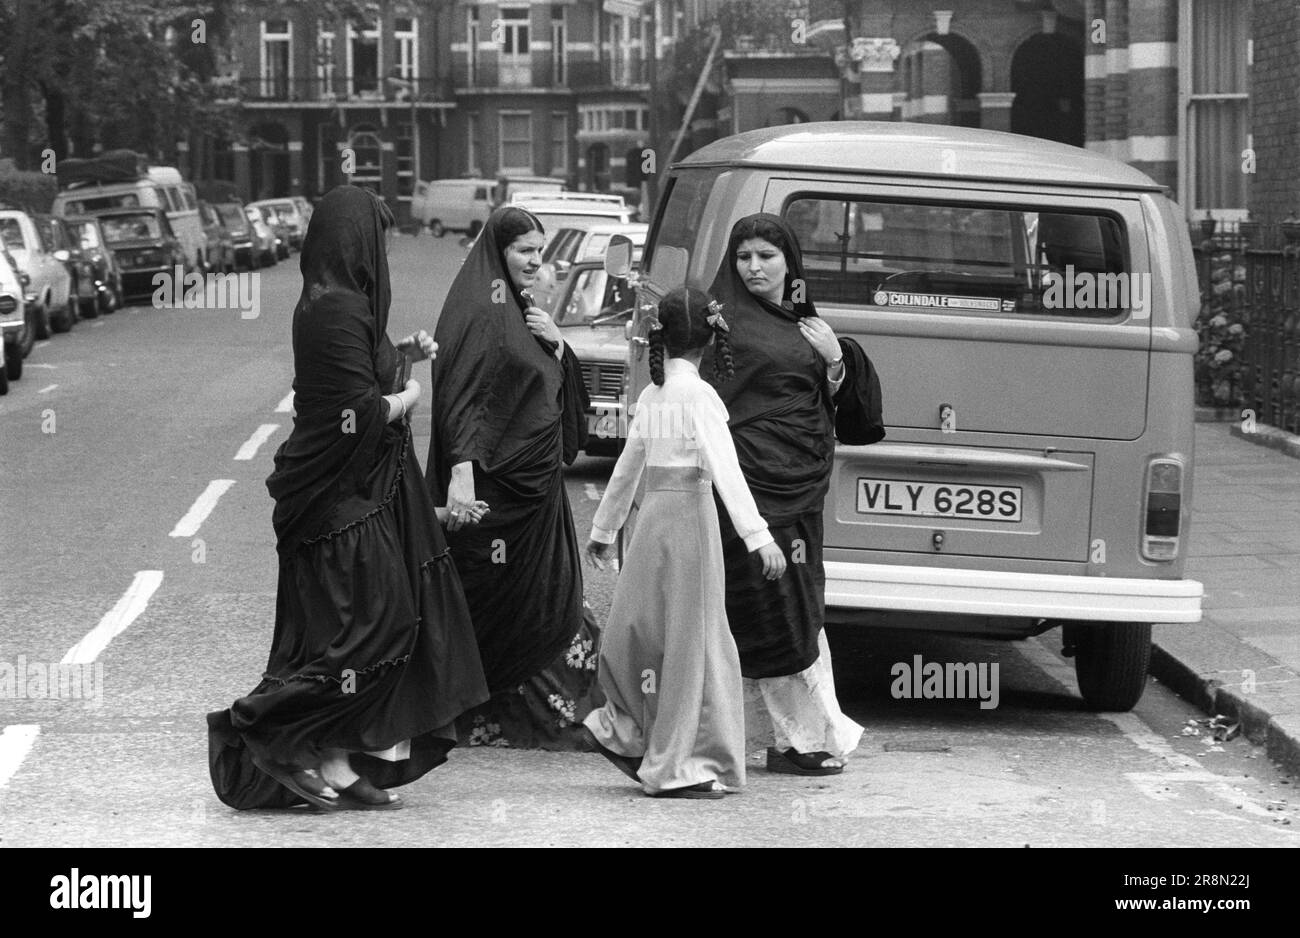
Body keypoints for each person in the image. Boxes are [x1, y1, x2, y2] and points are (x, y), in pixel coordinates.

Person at [207, 186, 489, 811]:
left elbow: (358, 379)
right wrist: (409, 398)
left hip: (350, 493)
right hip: (336, 504)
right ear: (355, 242)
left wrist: (402, 357)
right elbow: (355, 413)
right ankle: (265, 725)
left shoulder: (338, 304)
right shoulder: (335, 310)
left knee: (349, 628)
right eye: (378, 239)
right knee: (373, 625)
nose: (383, 252)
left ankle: (331, 756)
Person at [583, 287, 786, 799]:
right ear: (709, 341)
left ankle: (626, 732)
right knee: (693, 640)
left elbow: (628, 467)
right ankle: (681, 765)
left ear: (663, 337)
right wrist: (758, 536)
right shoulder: (700, 397)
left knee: (647, 631)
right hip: (690, 522)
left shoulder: (653, 396)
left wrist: (604, 532)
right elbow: (725, 469)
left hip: (651, 521)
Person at [704, 212, 886, 776]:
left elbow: (837, 407)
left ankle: (797, 739)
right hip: (743, 495)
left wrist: (836, 358)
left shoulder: (808, 325)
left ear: (790, 264)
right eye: (743, 257)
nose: (754, 267)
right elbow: (698, 403)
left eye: (767, 256)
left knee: (798, 609)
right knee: (759, 612)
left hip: (799, 493)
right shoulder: (718, 325)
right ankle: (786, 742)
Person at [428, 205, 599, 749]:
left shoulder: (523, 310)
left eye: (539, 251)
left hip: (533, 492)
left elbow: (548, 386)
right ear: (498, 251)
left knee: (542, 599)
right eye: (524, 249)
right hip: (494, 492)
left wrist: (559, 345)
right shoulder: (482, 308)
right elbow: (463, 396)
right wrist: (461, 474)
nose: (534, 260)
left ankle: (516, 716)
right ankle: (452, 711)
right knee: (491, 598)